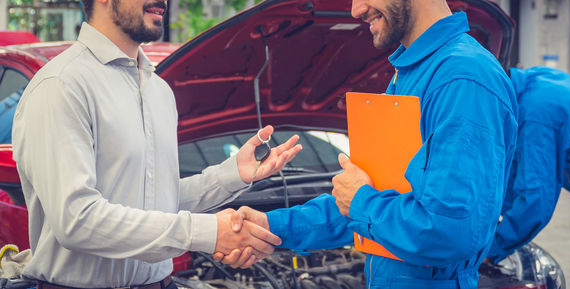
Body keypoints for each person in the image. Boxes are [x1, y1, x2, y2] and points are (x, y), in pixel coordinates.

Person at [214, 0, 519, 287]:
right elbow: (369, 202)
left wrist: (360, 200)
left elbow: (448, 231)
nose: (356, 10)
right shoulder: (412, 74)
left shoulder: (463, 80)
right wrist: (270, 226)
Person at [10, 0, 303, 287]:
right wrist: (209, 232)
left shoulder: (159, 91)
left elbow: (156, 205)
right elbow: (76, 221)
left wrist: (232, 175)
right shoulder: (62, 85)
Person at [485, 66, 570, 286]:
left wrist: (490, 250)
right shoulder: (531, 82)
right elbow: (516, 176)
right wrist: (491, 217)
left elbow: (535, 200)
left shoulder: (536, 116)